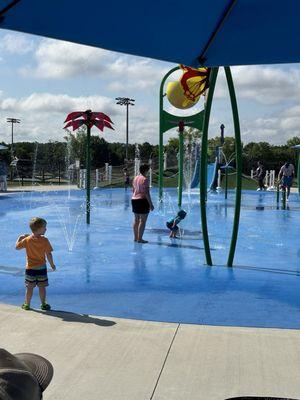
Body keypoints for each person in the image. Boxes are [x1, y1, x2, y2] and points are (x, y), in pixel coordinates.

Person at [15, 217, 56, 311]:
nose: (46, 229)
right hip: (41, 268)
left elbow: (17, 247)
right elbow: (49, 254)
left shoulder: (27, 240)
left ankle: (27, 304)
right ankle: (43, 304)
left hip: (30, 269)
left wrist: (20, 238)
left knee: (29, 288)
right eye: (44, 227)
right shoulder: (45, 240)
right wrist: (52, 265)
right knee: (42, 287)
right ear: (38, 229)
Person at [131, 164, 154, 243]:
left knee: (136, 220)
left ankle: (135, 238)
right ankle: (140, 239)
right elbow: (146, 193)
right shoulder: (145, 179)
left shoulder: (135, 178)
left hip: (134, 199)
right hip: (142, 200)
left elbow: (133, 190)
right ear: (146, 171)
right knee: (142, 221)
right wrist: (151, 204)